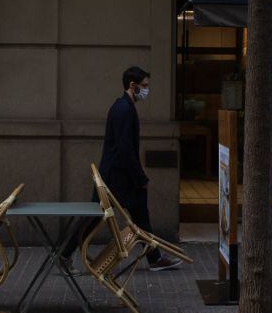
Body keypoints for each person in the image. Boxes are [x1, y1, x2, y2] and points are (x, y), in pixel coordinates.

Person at [61, 66, 182, 272]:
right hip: (117, 178)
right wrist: (140, 177)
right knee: (96, 217)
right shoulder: (124, 110)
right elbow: (125, 150)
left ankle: (154, 257)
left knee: (137, 215)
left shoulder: (122, 107)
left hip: (116, 175)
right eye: (144, 86)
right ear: (132, 86)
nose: (146, 90)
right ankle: (64, 255)